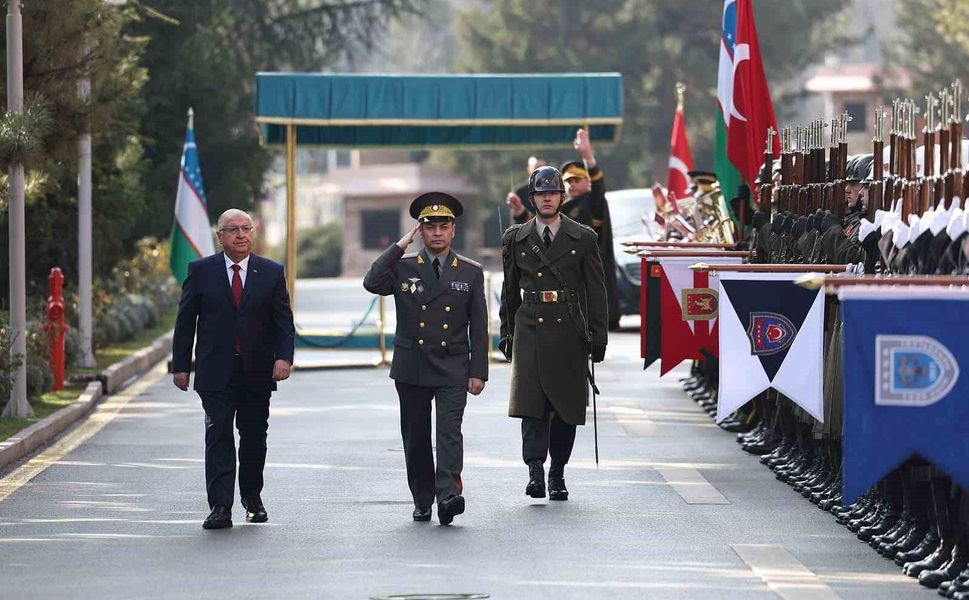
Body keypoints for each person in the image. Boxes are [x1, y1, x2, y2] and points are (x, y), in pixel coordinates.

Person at [363, 192, 488, 525]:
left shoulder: (471, 272)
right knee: (416, 436)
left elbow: (480, 324)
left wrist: (479, 371)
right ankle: (422, 497)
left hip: (453, 365)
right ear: (420, 230)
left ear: (453, 231)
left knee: (449, 433)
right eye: (429, 226)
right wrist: (400, 245)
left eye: (443, 226)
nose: (436, 232)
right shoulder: (403, 267)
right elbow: (371, 281)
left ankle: (448, 495)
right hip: (413, 365)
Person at [172, 208, 295, 530]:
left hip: (257, 372)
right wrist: (181, 366)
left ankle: (252, 500)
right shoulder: (201, 271)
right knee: (218, 436)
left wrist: (284, 358)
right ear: (220, 236)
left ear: (253, 233)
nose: (240, 235)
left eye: (246, 229)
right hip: (215, 372)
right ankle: (220, 507)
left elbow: (284, 322)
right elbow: (186, 322)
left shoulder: (270, 272)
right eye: (232, 229)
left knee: (254, 438)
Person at [499, 165, 608, 502]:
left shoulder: (583, 237)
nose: (546, 199)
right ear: (532, 199)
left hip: (569, 330)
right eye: (540, 193)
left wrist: (598, 337)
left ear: (562, 197)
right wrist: (506, 333)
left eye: (552, 193)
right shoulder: (516, 238)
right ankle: (534, 470)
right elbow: (509, 292)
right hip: (529, 326)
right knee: (531, 404)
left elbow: (596, 291)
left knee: (565, 406)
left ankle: (557, 473)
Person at [559, 129, 621, 330]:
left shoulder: (593, 202)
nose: (572, 185)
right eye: (568, 181)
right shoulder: (560, 207)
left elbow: (599, 187)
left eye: (577, 180)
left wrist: (588, 157)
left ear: (587, 182)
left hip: (588, 279)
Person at [507, 156, 546, 225]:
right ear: (529, 168)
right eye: (536, 167)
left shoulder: (553, 190)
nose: (539, 170)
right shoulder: (519, 191)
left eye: (542, 167)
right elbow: (516, 217)